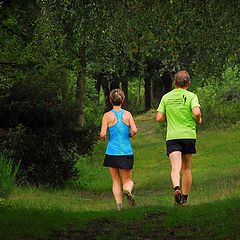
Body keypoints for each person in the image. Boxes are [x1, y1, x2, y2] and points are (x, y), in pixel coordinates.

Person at [156, 70, 202, 206]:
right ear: (188, 83)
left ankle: (176, 188)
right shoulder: (191, 96)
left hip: (172, 137)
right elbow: (197, 112)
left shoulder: (166, 97)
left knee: (175, 167)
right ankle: (184, 199)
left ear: (174, 82)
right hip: (188, 135)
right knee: (186, 168)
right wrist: (198, 119)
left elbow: (158, 117)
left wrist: (168, 118)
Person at [100, 89, 138, 210]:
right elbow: (135, 130)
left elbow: (102, 134)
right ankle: (127, 190)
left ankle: (119, 206)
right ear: (123, 100)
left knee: (116, 180)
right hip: (126, 152)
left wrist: (104, 137)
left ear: (110, 100)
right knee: (128, 179)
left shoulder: (107, 116)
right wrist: (130, 134)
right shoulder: (127, 114)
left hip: (111, 152)